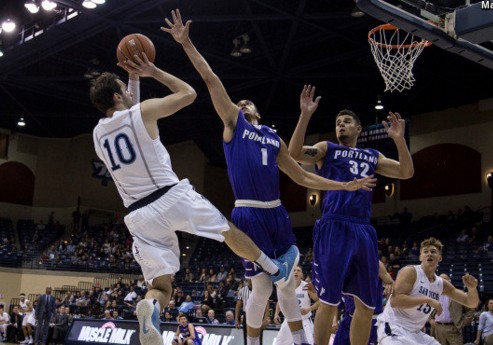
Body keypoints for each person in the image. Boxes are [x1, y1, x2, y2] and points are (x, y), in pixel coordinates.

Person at [164, 9, 376, 345]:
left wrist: (343, 185)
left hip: (276, 212)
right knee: (262, 286)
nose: (243, 102)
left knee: (287, 282)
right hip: (248, 212)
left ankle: (301, 342)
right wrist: (187, 44)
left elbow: (304, 177)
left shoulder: (272, 139)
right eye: (240, 101)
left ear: (259, 112)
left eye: (248, 102)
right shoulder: (234, 124)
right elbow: (210, 79)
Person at [91, 30, 296, 345]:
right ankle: (273, 268)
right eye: (123, 89)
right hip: (169, 197)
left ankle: (150, 306)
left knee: (162, 287)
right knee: (228, 231)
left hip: (137, 216)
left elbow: (130, 110)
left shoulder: (98, 134)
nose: (128, 91)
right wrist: (151, 72)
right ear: (118, 96)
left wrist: (131, 79)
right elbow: (188, 93)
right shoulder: (141, 113)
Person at [288, 84, 414, 345]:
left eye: (346, 122)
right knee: (328, 301)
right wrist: (305, 115)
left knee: (366, 305)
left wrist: (399, 140)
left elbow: (406, 172)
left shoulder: (372, 156)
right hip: (334, 225)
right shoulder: (327, 149)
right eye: (338, 122)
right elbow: (294, 154)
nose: (341, 125)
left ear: (358, 128)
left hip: (362, 229)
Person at [375, 237, 479, 345]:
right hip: (394, 327)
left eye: (433, 252)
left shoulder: (440, 283)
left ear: (440, 258)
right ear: (420, 257)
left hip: (416, 333)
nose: (429, 254)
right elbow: (396, 301)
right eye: (425, 252)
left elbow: (471, 303)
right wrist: (427, 300)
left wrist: (472, 289)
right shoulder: (411, 272)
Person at [334, 260, 394, 345]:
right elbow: (339, 302)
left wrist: (389, 284)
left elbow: (391, 283)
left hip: (370, 319)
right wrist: (335, 320)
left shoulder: (375, 263)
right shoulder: (343, 261)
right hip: (348, 318)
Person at [273, 266, 319, 345]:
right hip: (289, 321)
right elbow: (280, 301)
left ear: (302, 274)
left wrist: (309, 309)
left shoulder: (307, 286)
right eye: (294, 270)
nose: (296, 272)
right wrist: (276, 313)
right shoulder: (286, 286)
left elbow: (319, 301)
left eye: (298, 270)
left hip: (304, 321)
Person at [430, 274, 475, 345]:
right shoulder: (433, 294)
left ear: (449, 281)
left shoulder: (458, 293)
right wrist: (430, 319)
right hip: (437, 328)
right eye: (440, 279)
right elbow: (426, 307)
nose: (443, 281)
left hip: (453, 327)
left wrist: (462, 323)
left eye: (445, 279)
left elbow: (471, 309)